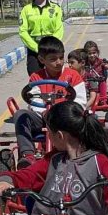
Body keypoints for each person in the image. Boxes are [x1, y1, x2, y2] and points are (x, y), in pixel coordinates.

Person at [13, 36, 87, 168]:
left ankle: (82, 153)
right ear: (42, 60)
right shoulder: (36, 77)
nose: (58, 62)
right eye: (53, 59)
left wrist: (63, 112)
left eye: (61, 58)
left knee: (85, 118)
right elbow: (34, 100)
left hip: (66, 119)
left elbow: (80, 101)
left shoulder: (73, 76)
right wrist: (44, 112)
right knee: (20, 115)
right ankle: (28, 155)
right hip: (44, 117)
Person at [20, 0, 65, 75]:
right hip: (34, 50)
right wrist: (37, 48)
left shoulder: (56, 8)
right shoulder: (26, 10)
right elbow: (23, 31)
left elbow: (59, 28)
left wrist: (51, 46)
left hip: (52, 49)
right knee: (35, 78)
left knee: (56, 77)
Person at [83, 41, 108, 105]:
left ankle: (103, 100)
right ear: (86, 54)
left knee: (102, 82)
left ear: (97, 52)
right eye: (89, 53)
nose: (92, 55)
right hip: (88, 84)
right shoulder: (84, 63)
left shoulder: (101, 62)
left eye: (94, 53)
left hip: (99, 83)